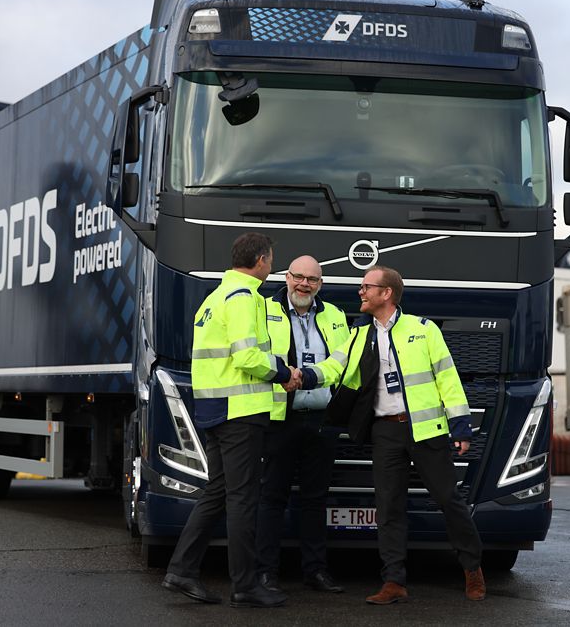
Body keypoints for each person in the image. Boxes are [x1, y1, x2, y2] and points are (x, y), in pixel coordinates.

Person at [297, 265, 486, 604]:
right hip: (385, 431)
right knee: (388, 507)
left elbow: (448, 379)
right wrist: (302, 377)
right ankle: (394, 581)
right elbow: (332, 367)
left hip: (426, 430)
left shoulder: (423, 330)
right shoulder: (357, 335)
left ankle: (472, 569)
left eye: (367, 287)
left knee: (448, 500)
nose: (361, 292)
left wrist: (460, 425)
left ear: (386, 293)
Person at [161, 232, 294, 609]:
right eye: (271, 259)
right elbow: (247, 357)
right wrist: (284, 373)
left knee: (218, 492)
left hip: (216, 410)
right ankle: (246, 585)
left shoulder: (215, 297)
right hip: (241, 413)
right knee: (242, 499)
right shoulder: (244, 298)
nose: (271, 265)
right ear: (263, 260)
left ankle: (182, 570)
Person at [255, 255, 350, 595]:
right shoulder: (263, 310)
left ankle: (315, 571)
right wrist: (285, 374)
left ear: (320, 284)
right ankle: (265, 572)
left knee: (315, 499)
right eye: (298, 277)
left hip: (321, 418)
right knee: (272, 497)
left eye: (311, 279)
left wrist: (309, 377)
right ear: (286, 277)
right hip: (280, 417)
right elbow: (255, 353)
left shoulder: (335, 316)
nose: (304, 284)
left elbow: (344, 359)